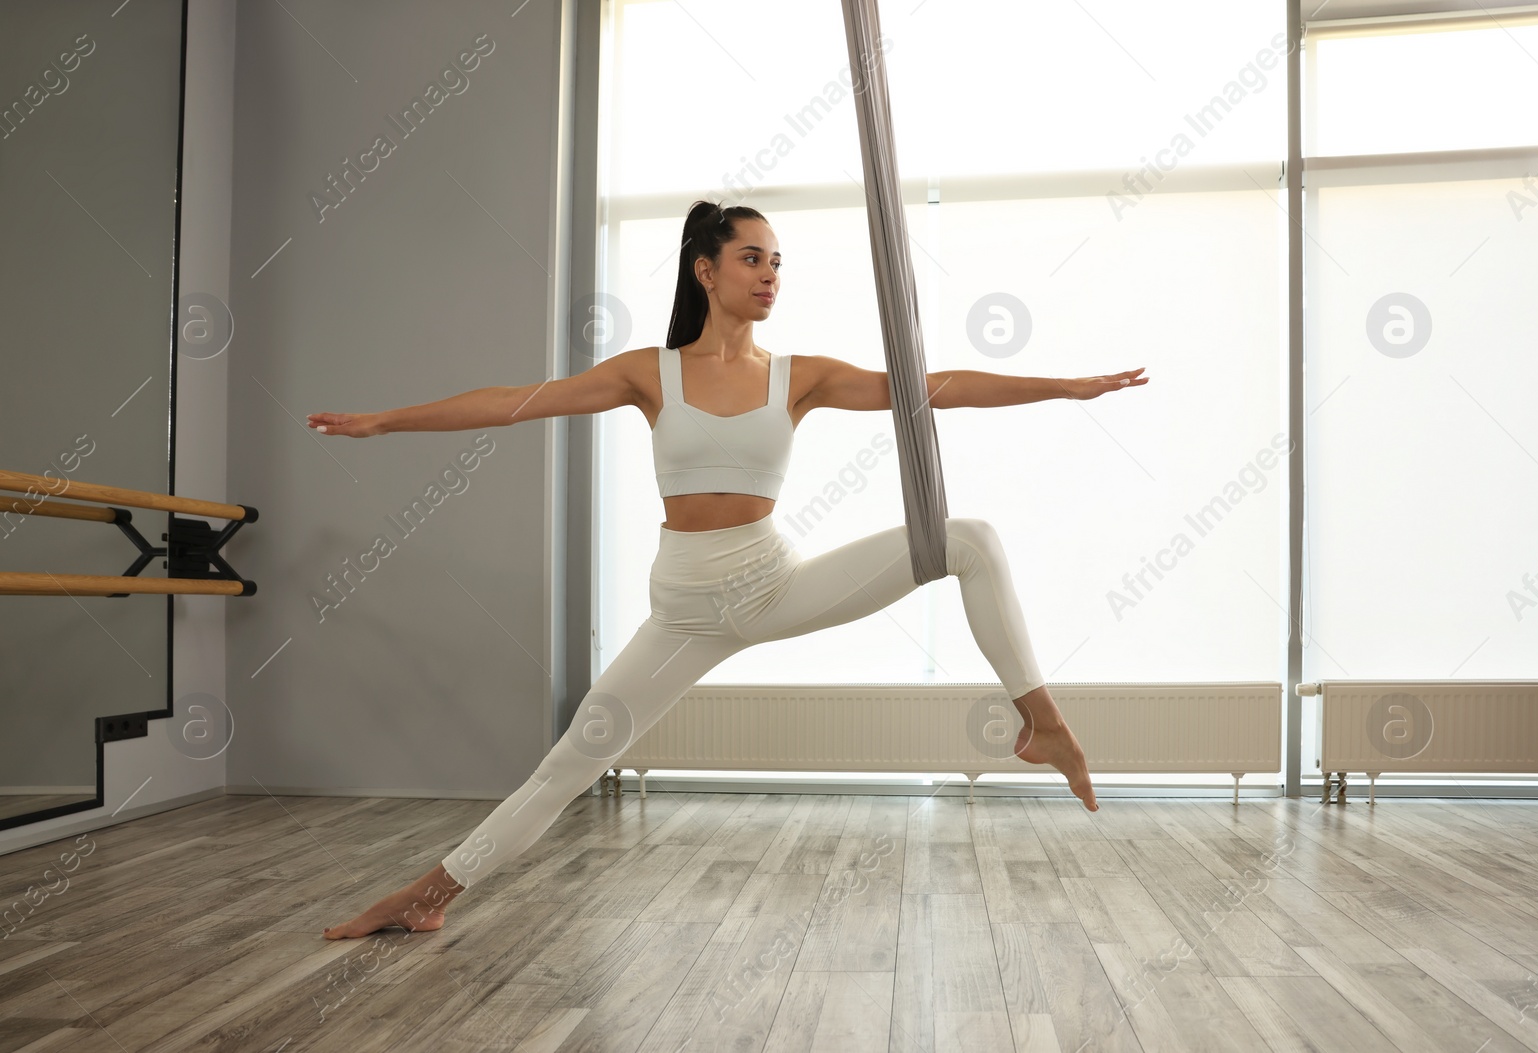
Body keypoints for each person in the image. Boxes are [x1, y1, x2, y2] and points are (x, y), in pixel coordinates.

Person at [312, 200, 1148, 939]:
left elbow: (935, 385)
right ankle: (426, 895)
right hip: (683, 609)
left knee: (969, 538)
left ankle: (1043, 721)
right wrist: (387, 422)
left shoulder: (799, 376)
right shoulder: (650, 372)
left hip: (773, 585)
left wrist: (1063, 387)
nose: (770, 274)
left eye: (778, 261)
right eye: (753, 257)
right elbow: (513, 399)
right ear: (705, 270)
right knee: (571, 760)